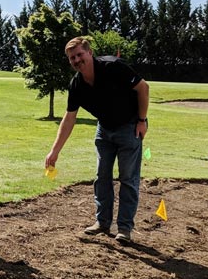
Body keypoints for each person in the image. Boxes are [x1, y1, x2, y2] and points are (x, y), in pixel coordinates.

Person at [45, 36, 149, 242]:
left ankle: (124, 228)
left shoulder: (113, 67)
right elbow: (69, 118)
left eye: (79, 55)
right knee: (102, 176)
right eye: (72, 58)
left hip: (129, 126)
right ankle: (102, 223)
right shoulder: (76, 85)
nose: (76, 60)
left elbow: (143, 88)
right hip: (104, 129)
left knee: (128, 178)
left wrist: (142, 120)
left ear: (89, 53)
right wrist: (54, 151)